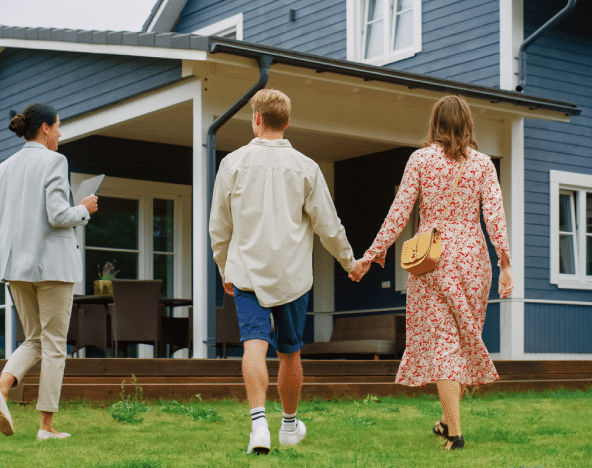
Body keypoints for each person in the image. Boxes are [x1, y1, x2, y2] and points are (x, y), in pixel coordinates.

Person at [350, 95, 514, 451]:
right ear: (468, 124)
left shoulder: (421, 160)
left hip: (433, 257)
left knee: (444, 343)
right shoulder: (484, 165)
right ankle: (446, 420)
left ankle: (455, 434)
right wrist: (505, 263)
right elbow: (495, 217)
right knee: (461, 341)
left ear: (435, 123)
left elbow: (399, 212)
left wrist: (371, 255)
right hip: (474, 258)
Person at [210, 89, 358, 455]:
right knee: (290, 353)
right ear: (287, 122)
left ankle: (259, 426)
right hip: (293, 277)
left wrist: (223, 266)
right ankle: (289, 427)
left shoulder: (232, 164)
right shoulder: (306, 167)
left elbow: (219, 227)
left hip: (246, 273)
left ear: (257, 118)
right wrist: (350, 263)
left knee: (254, 346)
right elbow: (329, 226)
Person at [0, 103, 99, 440]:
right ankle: (46, 427)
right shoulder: (54, 161)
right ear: (45, 128)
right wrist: (84, 208)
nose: (60, 134)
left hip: (15, 266)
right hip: (52, 266)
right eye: (59, 127)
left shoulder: (3, 168)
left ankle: (2, 387)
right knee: (53, 345)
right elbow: (58, 215)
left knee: (33, 339)